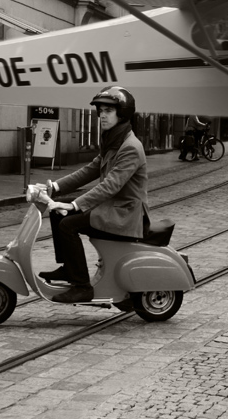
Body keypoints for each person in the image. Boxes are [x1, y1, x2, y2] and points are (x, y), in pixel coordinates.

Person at [40, 86, 150, 303]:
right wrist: (55, 187)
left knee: (67, 223)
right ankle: (69, 269)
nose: (102, 115)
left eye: (108, 111)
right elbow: (90, 169)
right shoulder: (113, 141)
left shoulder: (130, 147)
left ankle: (82, 287)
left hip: (124, 214)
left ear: (122, 113)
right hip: (112, 208)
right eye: (100, 111)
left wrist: (75, 205)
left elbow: (111, 186)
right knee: (57, 210)